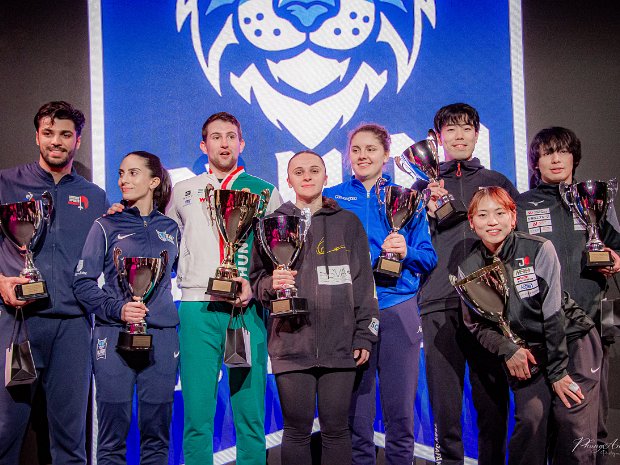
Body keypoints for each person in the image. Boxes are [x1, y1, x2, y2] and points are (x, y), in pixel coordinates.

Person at [166, 112, 282, 465]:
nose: (224, 143)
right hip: (197, 308)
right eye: (216, 137)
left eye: (231, 136)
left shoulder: (264, 191)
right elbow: (164, 242)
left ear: (241, 143)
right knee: (197, 413)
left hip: (245, 311)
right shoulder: (183, 191)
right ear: (203, 145)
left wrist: (255, 288)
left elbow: (279, 256)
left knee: (250, 414)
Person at [250, 150, 379, 465]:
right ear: (288, 179)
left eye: (314, 170)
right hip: (291, 340)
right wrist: (272, 284)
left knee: (336, 430)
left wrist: (364, 334)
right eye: (299, 172)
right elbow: (256, 281)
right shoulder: (270, 224)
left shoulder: (348, 223)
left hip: (340, 343)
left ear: (325, 177)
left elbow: (364, 284)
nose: (306, 176)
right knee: (296, 431)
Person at [459, 186, 602, 465]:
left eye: (500, 213)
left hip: (572, 341)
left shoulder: (538, 248)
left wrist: (558, 372)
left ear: (513, 217)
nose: (492, 221)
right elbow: (476, 325)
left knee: (570, 422)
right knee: (531, 419)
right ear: (472, 222)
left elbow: (553, 313)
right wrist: (508, 349)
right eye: (483, 215)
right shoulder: (469, 268)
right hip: (527, 353)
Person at [0, 101, 109, 464]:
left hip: (73, 329)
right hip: (18, 323)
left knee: (70, 440)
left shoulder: (95, 196)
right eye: (48, 133)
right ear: (37, 137)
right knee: (4, 431)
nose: (56, 141)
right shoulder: (6, 183)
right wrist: (1, 283)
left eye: (65, 134)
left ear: (78, 140)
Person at [323, 124, 437, 465]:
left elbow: (428, 257)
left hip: (397, 306)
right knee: (357, 414)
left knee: (399, 413)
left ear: (386, 155)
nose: (362, 156)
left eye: (371, 149)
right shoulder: (332, 198)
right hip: (352, 313)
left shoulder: (408, 198)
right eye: (356, 149)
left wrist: (406, 251)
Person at [413, 103, 519, 465]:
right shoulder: (420, 186)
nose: (459, 136)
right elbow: (409, 245)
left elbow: (516, 241)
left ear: (476, 134)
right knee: (445, 407)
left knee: (492, 403)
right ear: (438, 138)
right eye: (451, 129)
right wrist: (426, 214)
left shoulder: (498, 183)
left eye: (466, 129)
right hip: (438, 303)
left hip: (490, 306)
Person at [517, 127, 620, 464]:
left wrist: (616, 259)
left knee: (592, 426)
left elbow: (616, 248)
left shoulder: (596, 198)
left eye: (563, 151)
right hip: (539, 331)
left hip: (593, 325)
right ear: (535, 162)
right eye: (548, 153)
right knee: (540, 423)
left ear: (575, 157)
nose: (556, 159)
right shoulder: (521, 205)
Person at [73, 151, 179, 464]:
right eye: (121, 173)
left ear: (154, 181)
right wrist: (119, 309)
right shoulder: (105, 225)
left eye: (133, 173)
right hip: (113, 336)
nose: (123, 180)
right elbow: (82, 283)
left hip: (161, 337)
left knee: (157, 438)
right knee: (111, 439)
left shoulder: (171, 229)